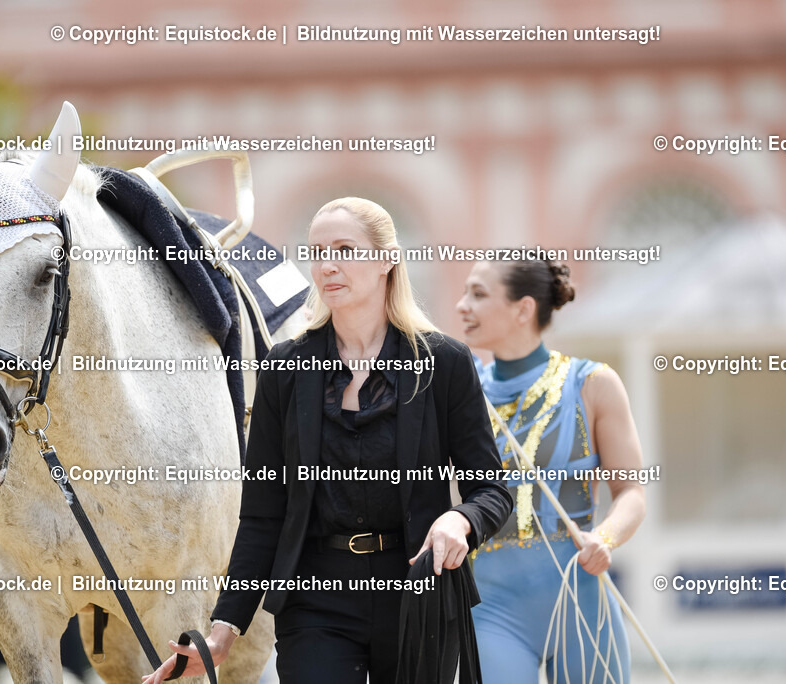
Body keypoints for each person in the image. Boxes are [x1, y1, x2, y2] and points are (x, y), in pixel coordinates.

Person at [145, 198, 512, 683]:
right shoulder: (284, 369)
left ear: (386, 260)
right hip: (314, 600)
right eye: (317, 251)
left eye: (345, 249)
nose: (328, 265)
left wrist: (459, 520)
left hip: (419, 595)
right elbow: (262, 516)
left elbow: (492, 489)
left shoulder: (444, 363)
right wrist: (222, 632)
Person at [456, 259, 646, 683]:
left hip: (582, 600)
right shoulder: (462, 393)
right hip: (492, 608)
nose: (461, 305)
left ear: (523, 309)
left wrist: (606, 537)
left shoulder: (593, 383)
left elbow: (632, 491)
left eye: (478, 294)